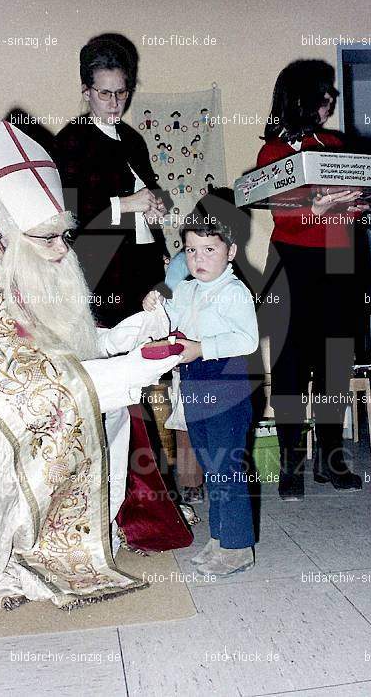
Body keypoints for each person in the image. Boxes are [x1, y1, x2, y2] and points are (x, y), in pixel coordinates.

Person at [0, 121, 191, 615]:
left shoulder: (35, 258)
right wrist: (133, 370)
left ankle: (83, 534)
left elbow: (73, 344)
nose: (62, 249)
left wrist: (131, 334)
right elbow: (32, 387)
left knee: (109, 412)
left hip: (34, 406)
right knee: (92, 404)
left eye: (65, 234)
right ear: (12, 232)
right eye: (48, 239)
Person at [257, 60, 369, 500]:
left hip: (340, 260)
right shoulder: (273, 152)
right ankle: (291, 465)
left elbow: (352, 205)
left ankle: (331, 460)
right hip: (293, 263)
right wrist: (314, 211)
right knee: (289, 366)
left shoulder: (337, 143)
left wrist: (356, 205)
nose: (331, 100)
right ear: (300, 97)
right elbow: (284, 218)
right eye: (324, 93)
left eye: (331, 93)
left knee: (334, 363)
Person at [143, 214, 259, 576]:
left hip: (225, 382)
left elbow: (247, 340)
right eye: (191, 250)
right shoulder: (187, 289)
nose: (199, 258)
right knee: (210, 464)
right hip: (193, 381)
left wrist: (202, 347)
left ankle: (238, 547)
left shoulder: (234, 291)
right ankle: (220, 537)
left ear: (231, 252)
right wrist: (156, 306)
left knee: (227, 466)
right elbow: (171, 319)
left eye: (210, 249)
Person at [53, 34, 170, 327]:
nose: (115, 102)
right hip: (103, 275)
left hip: (145, 267)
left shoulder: (133, 140)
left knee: (152, 355)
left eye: (122, 92)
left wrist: (155, 210)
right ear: (86, 92)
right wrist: (127, 204)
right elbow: (69, 214)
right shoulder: (72, 141)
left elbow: (146, 202)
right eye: (105, 93)